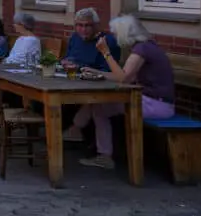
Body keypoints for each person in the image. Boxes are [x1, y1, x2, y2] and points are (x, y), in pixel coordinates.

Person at [67, 15, 177, 170]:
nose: (115, 37)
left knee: (99, 106)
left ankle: (94, 146)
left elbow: (123, 78)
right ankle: (79, 132)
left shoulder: (141, 50)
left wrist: (106, 53)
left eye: (116, 34)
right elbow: (124, 76)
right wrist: (95, 71)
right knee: (99, 106)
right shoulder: (145, 46)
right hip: (154, 101)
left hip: (157, 105)